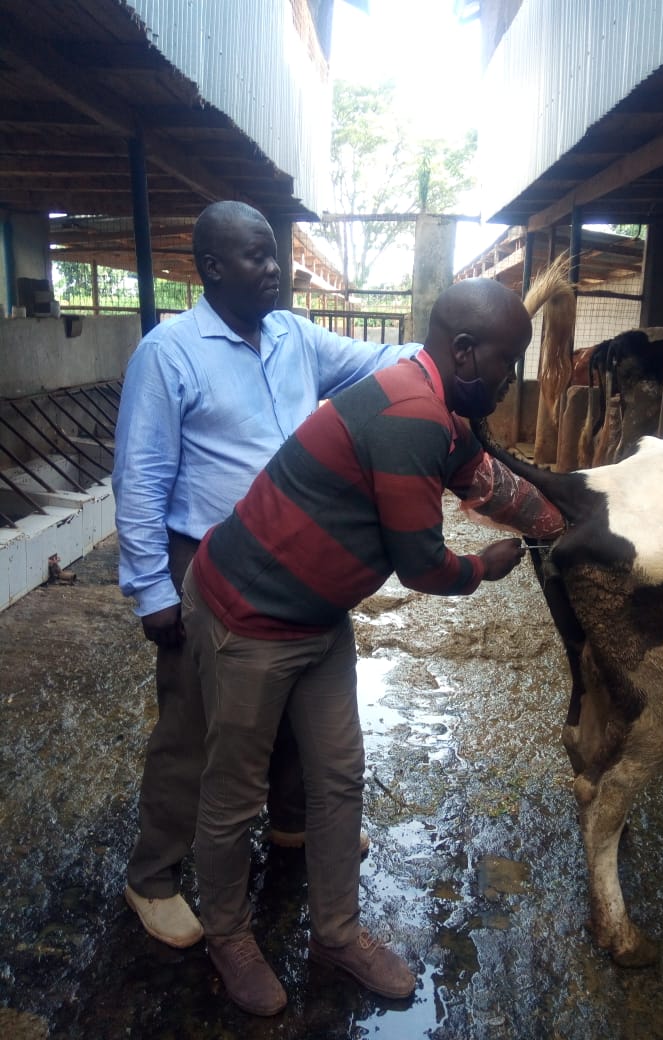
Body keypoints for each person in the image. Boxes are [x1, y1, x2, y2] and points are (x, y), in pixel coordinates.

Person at [180, 276, 566, 1015]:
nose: (513, 378)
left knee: (338, 778)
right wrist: (485, 568)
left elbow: (487, 484)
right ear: (462, 352)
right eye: (508, 362)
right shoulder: (413, 416)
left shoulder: (442, 412)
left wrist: (564, 519)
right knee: (233, 795)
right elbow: (424, 565)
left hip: (316, 619)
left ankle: (337, 933)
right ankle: (228, 936)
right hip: (248, 617)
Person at [112, 200, 421, 950]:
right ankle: (153, 877)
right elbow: (141, 478)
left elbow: (378, 362)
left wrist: (441, 355)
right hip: (208, 563)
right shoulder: (170, 352)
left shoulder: (292, 337)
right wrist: (153, 591)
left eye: (276, 255)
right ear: (212, 267)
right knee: (196, 727)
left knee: (290, 703)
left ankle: (290, 826)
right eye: (256, 257)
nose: (276, 269)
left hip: (295, 557)